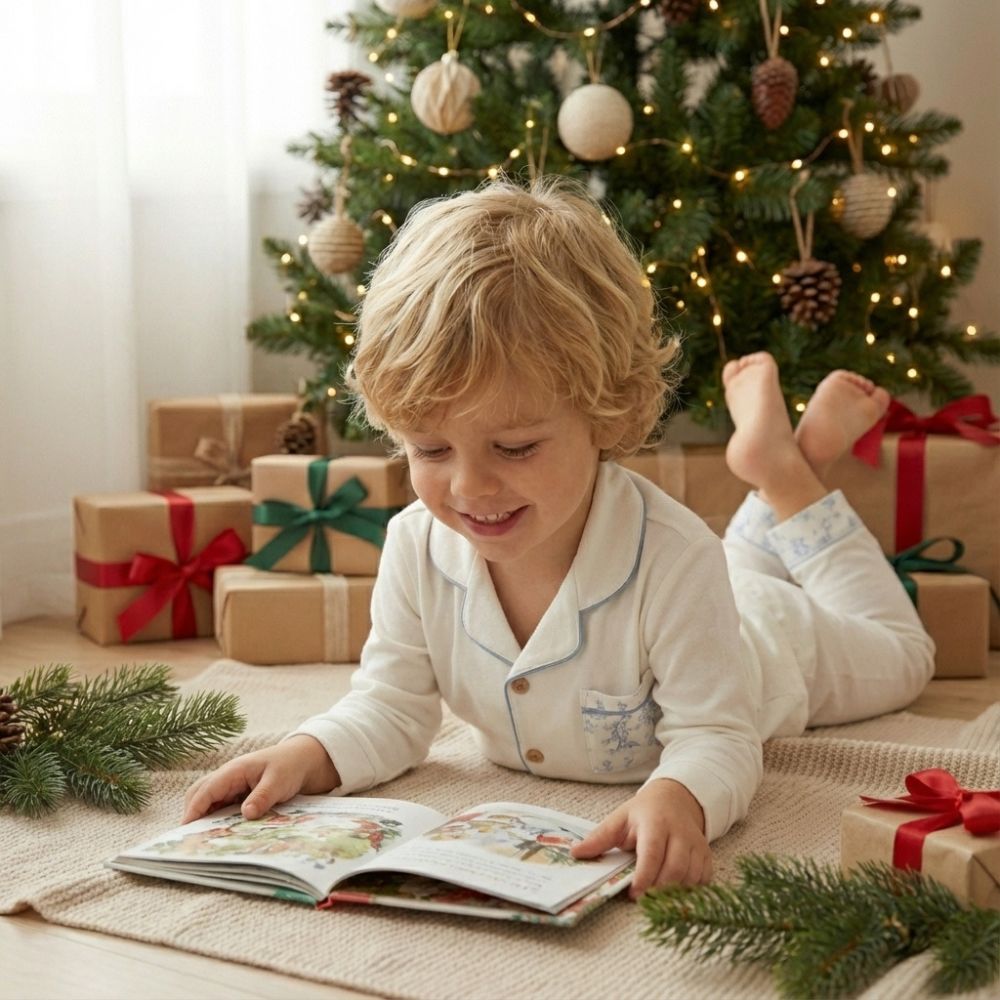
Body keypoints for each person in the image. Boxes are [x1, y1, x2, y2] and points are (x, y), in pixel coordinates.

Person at [183, 176, 934, 898]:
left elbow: (717, 735)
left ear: (608, 416)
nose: (470, 487)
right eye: (430, 449)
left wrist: (680, 793)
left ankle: (793, 484)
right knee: (739, 564)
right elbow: (390, 707)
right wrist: (306, 753)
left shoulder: (677, 558)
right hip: (716, 590)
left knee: (905, 654)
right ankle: (782, 470)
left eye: (514, 448)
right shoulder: (415, 545)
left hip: (775, 642)